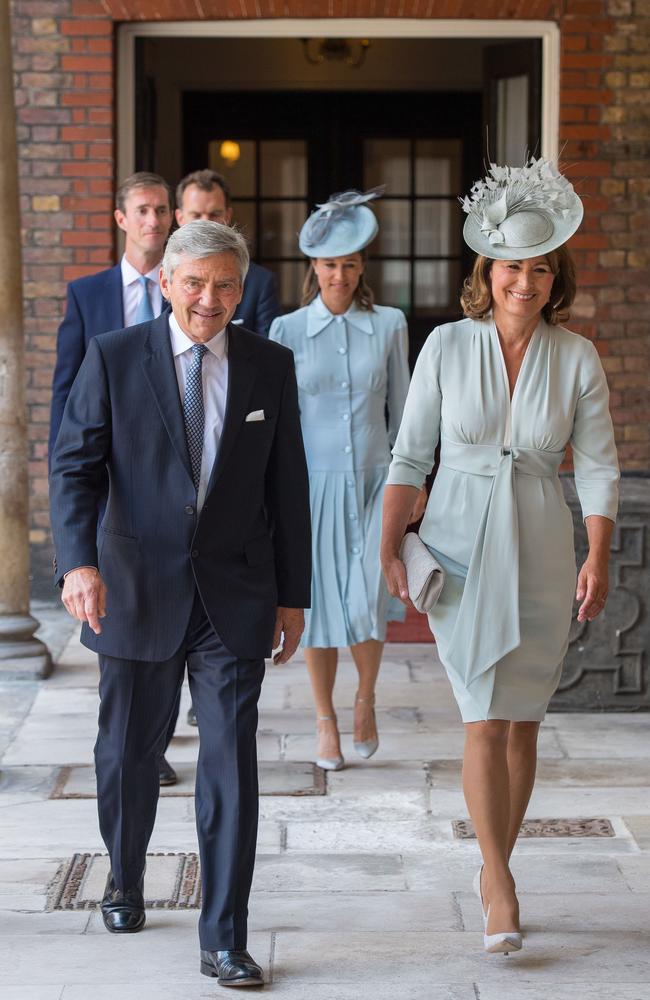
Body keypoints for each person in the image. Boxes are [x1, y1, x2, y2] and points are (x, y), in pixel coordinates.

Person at [49, 220, 311, 986]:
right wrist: (78, 564)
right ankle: (125, 875)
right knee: (128, 756)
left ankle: (225, 934)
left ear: (242, 288)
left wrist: (292, 595)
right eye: (194, 282)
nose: (209, 298)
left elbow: (286, 485)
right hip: (131, 590)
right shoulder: (115, 356)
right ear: (165, 283)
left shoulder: (270, 366)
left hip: (233, 594)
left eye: (225, 284)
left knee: (230, 764)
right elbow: (74, 469)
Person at [381, 158, 619, 955]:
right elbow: (410, 458)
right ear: (489, 271)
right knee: (483, 717)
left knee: (523, 724)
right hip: (460, 549)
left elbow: (597, 466)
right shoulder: (446, 345)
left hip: (546, 549)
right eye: (513, 265)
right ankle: (503, 881)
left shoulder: (578, 358)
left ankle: (493, 868)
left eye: (540, 267)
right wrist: (388, 544)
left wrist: (597, 555)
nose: (525, 280)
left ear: (557, 278)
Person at [269, 190, 422, 771]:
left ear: (362, 268)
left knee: (368, 599)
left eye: (350, 264)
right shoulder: (285, 330)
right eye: (330, 264)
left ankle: (365, 698)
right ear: (315, 267)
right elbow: (277, 426)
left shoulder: (389, 325)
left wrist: (414, 483)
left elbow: (406, 410)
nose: (340, 274)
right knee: (319, 608)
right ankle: (324, 721)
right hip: (310, 489)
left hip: (376, 484)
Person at [48, 172, 178, 786]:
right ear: (121, 219)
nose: (154, 220)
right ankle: (133, 744)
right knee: (119, 622)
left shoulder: (187, 291)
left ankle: (154, 744)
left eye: (162, 210)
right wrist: (68, 483)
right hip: (109, 491)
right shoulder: (87, 294)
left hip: (178, 483)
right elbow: (66, 394)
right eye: (143, 211)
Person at [176, 169, 280, 336]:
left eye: (214, 214)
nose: (206, 223)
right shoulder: (165, 277)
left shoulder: (259, 282)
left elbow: (267, 355)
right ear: (179, 218)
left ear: (228, 215)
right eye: (196, 215)